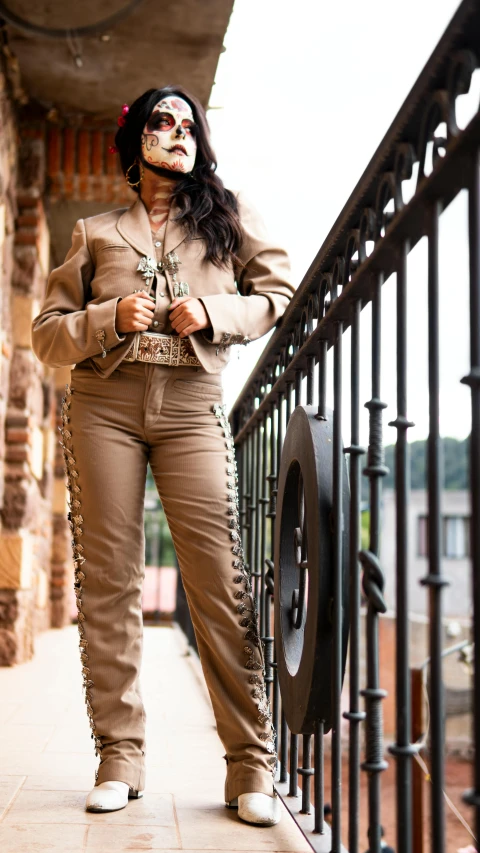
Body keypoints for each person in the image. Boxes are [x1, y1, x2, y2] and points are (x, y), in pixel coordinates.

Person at [31, 85, 295, 826]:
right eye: (161, 121)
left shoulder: (228, 217)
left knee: (217, 581)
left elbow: (277, 291)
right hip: (104, 407)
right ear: (136, 141)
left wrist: (213, 311)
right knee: (109, 580)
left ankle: (249, 763)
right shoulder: (96, 230)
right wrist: (106, 316)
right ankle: (119, 757)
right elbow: (45, 334)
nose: (176, 132)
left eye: (188, 124)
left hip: (190, 406)